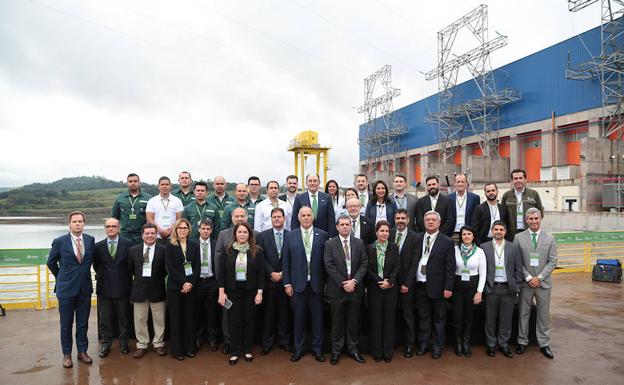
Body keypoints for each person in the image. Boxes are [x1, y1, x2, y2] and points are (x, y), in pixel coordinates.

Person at [47, 211, 96, 368]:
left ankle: (82, 352)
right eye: (74, 221)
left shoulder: (90, 240)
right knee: (66, 324)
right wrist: (61, 277)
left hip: (84, 289)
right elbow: (51, 262)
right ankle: (67, 354)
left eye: (80, 221)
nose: (77, 224)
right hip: (66, 290)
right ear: (69, 224)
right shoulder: (59, 241)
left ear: (84, 223)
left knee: (83, 323)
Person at [282, 206, 328, 363]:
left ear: (313, 217)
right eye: (303, 215)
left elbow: (326, 263)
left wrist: (326, 284)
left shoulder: (323, 235)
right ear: (299, 217)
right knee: (298, 319)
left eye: (309, 215)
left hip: (316, 285)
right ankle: (299, 348)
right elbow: (286, 262)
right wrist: (287, 283)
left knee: (317, 319)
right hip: (297, 285)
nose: (306, 218)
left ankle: (317, 349)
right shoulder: (290, 236)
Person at [218, 222, 265, 365]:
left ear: (249, 234)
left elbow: (261, 273)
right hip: (232, 292)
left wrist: (260, 292)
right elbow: (222, 273)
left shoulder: (257, 250)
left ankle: (248, 350)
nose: (242, 234)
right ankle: (234, 351)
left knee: (249, 321)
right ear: (235, 234)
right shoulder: (228, 251)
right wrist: (221, 293)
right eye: (240, 232)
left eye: (245, 232)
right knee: (234, 322)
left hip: (250, 291)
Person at [324, 215, 368, 365]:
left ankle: (353, 350)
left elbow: (364, 264)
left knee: (353, 322)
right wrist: (344, 283)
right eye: (341, 224)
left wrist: (354, 281)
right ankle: (336, 352)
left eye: (347, 224)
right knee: (337, 322)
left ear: (351, 226)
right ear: (337, 227)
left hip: (355, 289)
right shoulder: (329, 244)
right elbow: (328, 265)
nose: (344, 227)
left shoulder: (359, 243)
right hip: (337, 289)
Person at [514, 208, 557, 359]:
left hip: (543, 284)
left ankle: (544, 343)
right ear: (526, 220)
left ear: (540, 219)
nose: (533, 222)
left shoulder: (550, 238)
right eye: (530, 219)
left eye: (536, 219)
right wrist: (528, 277)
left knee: (543, 315)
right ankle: (522, 341)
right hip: (525, 284)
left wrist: (539, 277)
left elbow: (552, 261)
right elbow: (517, 261)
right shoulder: (518, 238)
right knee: (523, 313)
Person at [414, 211, 455, 359]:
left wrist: (448, 287)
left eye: (433, 220)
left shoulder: (447, 241)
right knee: (423, 317)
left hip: (438, 286)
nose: (430, 222)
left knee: (439, 318)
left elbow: (450, 267)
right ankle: (424, 344)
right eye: (428, 220)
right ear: (424, 222)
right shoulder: (417, 238)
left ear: (439, 223)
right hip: (420, 284)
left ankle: (437, 346)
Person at [482, 220, 522, 358]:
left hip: (507, 289)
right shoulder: (484, 247)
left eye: (501, 229)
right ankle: (491, 345)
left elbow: (518, 269)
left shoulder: (513, 247)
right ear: (492, 231)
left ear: (505, 232)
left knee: (506, 319)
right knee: (490, 319)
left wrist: (516, 287)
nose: (498, 232)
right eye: (496, 229)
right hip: (491, 288)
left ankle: (504, 344)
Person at [93, 218, 132, 358]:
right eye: (108, 226)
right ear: (105, 228)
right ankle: (106, 344)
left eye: (113, 226)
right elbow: (96, 266)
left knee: (123, 316)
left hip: (123, 286)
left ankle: (123, 343)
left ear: (118, 228)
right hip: (104, 287)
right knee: (106, 318)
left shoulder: (128, 244)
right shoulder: (97, 246)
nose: (111, 228)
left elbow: (130, 265)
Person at [128, 224, 168, 359]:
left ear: (156, 235)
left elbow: (165, 271)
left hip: (157, 289)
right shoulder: (133, 250)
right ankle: (142, 344)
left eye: (152, 233)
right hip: (139, 290)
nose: (150, 236)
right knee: (140, 319)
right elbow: (131, 269)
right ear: (142, 235)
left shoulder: (163, 250)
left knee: (159, 319)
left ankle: (158, 343)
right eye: (147, 233)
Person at [257, 208, 291, 356]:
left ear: (284, 219)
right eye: (274, 217)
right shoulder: (263, 236)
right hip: (269, 281)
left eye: (279, 217)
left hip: (285, 281)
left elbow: (293, 257)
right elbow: (261, 258)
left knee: (285, 314)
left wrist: (283, 273)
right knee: (268, 314)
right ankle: (267, 343)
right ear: (271, 219)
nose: (277, 219)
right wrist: (271, 272)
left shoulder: (291, 235)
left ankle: (284, 342)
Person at [165, 218, 200, 360]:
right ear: (176, 230)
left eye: (185, 228)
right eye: (180, 228)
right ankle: (177, 350)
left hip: (191, 288)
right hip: (175, 288)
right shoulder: (170, 245)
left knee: (189, 318)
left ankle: (190, 348)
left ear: (189, 230)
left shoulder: (194, 245)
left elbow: (197, 266)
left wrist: (190, 283)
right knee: (176, 319)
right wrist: (183, 283)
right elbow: (170, 268)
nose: (182, 230)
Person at [366, 220, 400, 362]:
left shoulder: (394, 247)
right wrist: (379, 280)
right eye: (382, 231)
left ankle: (387, 352)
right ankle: (377, 352)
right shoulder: (369, 248)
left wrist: (389, 281)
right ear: (376, 232)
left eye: (387, 231)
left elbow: (397, 267)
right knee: (376, 320)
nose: (384, 233)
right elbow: (367, 268)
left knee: (389, 320)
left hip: (390, 289)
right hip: (375, 288)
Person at [451, 225, 486, 357]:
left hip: (472, 286)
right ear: (461, 236)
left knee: (469, 317)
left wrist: (479, 291)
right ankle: (458, 342)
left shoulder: (479, 252)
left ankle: (466, 342)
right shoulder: (454, 250)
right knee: (457, 316)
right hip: (457, 286)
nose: (466, 236)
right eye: (464, 234)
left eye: (469, 234)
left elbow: (483, 273)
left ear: (473, 236)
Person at [390, 209, 419, 358]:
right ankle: (393, 341)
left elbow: (415, 263)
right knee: (392, 314)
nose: (400, 221)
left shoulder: (415, 237)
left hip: (407, 283)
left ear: (408, 220)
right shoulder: (389, 233)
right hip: (391, 283)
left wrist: (407, 283)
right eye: (397, 218)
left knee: (408, 315)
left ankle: (409, 345)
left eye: (403, 218)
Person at [195, 219, 219, 352]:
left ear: (211, 230)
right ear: (198, 229)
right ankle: (198, 337)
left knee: (212, 312)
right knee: (197, 312)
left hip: (211, 281)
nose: (205, 231)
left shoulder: (215, 244)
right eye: (203, 228)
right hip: (197, 282)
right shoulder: (192, 244)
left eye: (208, 229)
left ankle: (212, 338)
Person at [501, 169, 545, 239]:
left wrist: (534, 225)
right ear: (512, 181)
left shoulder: (534, 194)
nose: (518, 180)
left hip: (528, 232)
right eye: (515, 178)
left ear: (525, 179)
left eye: (520, 178)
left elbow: (540, 213)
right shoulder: (506, 195)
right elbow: (502, 215)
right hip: (511, 233)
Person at [111, 173, 151, 245]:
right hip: (124, 235)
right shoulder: (120, 198)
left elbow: (152, 217)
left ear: (139, 183)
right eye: (130, 181)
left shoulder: (148, 198)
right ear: (127, 183)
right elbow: (114, 217)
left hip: (142, 236)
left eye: (135, 181)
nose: (133, 183)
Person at [146, 176, 184, 242]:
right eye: (162, 184)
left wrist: (169, 231)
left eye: (167, 184)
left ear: (170, 186)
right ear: (158, 186)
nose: (164, 186)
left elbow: (179, 219)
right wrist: (160, 231)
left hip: (173, 236)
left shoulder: (177, 201)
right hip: (157, 236)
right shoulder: (152, 201)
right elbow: (149, 218)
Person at [449, 174, 480, 244]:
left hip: (468, 234)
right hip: (453, 234)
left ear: (466, 184)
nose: (460, 184)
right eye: (458, 182)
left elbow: (476, 217)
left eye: (462, 182)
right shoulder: (448, 198)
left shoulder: (475, 198)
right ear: (454, 184)